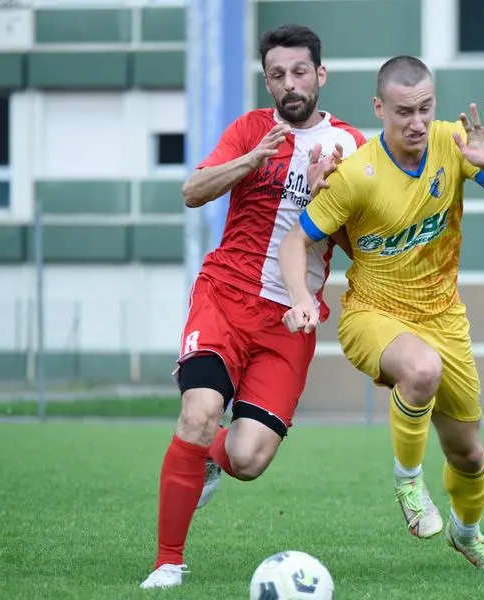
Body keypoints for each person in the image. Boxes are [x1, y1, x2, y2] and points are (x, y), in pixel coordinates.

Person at [278, 56, 484, 571]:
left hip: (444, 318)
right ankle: (409, 484)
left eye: (425, 109)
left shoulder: (451, 143)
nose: (416, 122)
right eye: (402, 112)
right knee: (421, 370)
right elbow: (293, 241)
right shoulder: (356, 176)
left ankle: (468, 535)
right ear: (379, 109)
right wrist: (302, 299)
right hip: (372, 315)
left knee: (469, 456)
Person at [140, 24, 366, 589]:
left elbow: (365, 234)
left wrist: (327, 196)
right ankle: (168, 561)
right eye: (275, 75)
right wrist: (251, 161)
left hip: (291, 318)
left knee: (249, 458)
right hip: (225, 297)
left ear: (321, 74)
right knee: (198, 412)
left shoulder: (352, 146)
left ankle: (211, 455)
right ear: (266, 79)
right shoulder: (249, 130)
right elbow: (193, 191)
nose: (287, 84)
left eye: (298, 72)